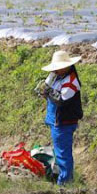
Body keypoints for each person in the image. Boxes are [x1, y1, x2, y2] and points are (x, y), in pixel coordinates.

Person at [38, 50, 83, 185]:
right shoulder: (56, 76)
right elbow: (46, 89)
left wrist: (49, 92)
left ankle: (65, 183)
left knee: (63, 154)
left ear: (66, 66)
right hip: (55, 120)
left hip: (64, 121)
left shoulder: (71, 81)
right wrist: (46, 91)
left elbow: (61, 100)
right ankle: (63, 179)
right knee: (59, 152)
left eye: (58, 67)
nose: (55, 70)